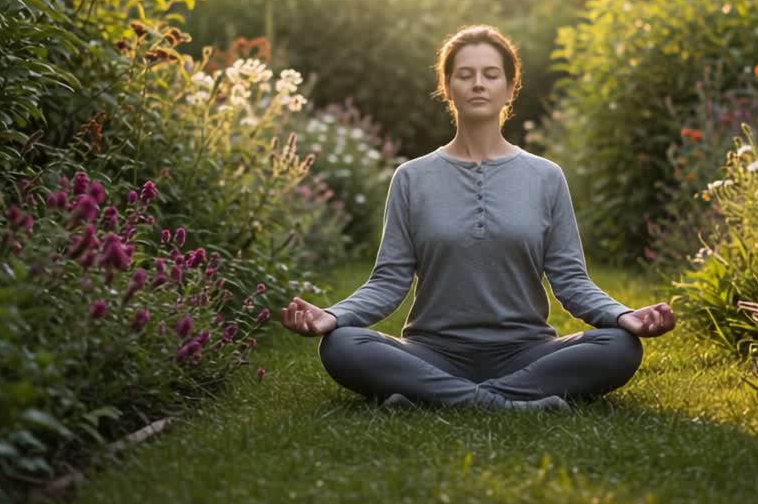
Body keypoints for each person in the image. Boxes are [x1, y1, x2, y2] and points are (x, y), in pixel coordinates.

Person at [279, 25, 677, 411]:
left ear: (510, 88)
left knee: (620, 346)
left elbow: (571, 281)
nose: (478, 84)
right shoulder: (412, 178)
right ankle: (508, 402)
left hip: (526, 352)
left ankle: (432, 396)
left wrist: (623, 316)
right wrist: (333, 316)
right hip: (432, 352)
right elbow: (388, 282)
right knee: (341, 344)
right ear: (447, 86)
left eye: (491, 74)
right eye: (465, 75)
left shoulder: (546, 177)